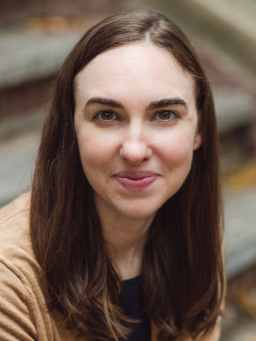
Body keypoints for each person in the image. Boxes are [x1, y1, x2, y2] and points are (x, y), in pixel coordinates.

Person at [0, 10, 225, 341]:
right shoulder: (11, 283)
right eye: (107, 115)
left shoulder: (195, 238)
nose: (134, 151)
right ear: (71, 129)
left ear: (199, 130)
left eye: (164, 115)